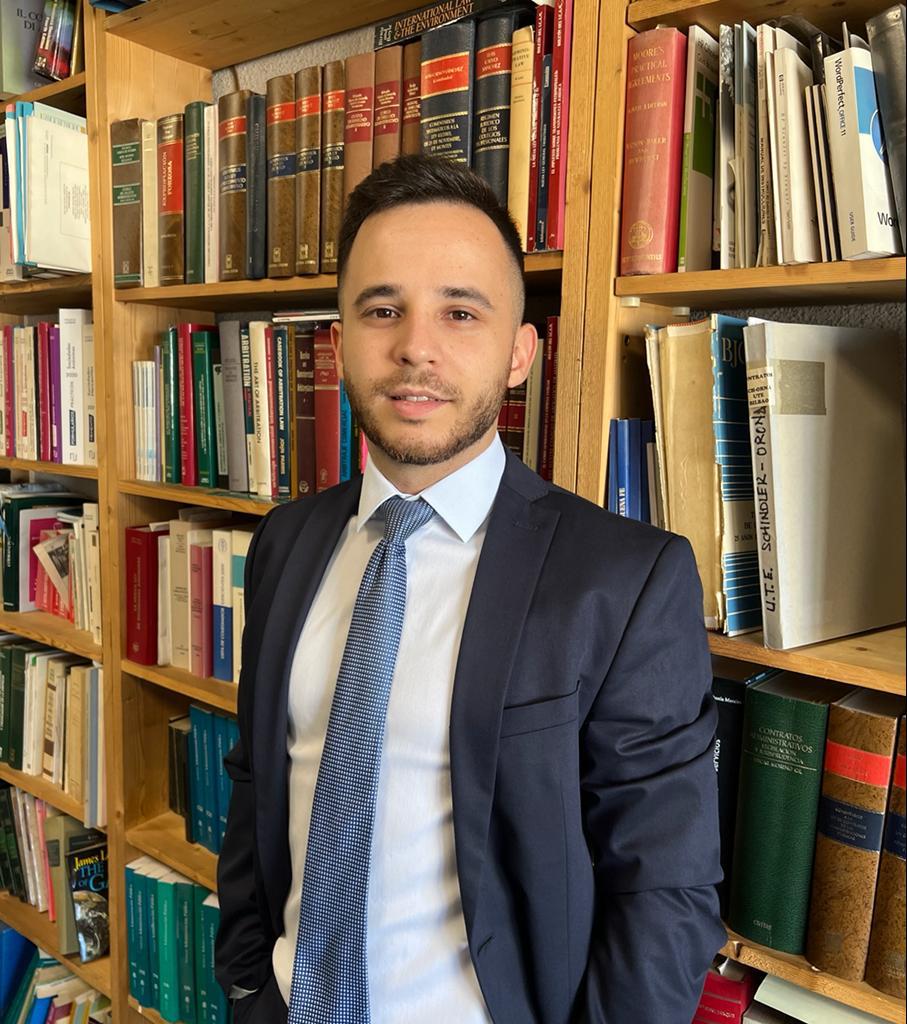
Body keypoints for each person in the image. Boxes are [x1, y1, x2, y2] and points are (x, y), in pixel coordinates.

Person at [215, 153, 725, 1024]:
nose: (416, 346)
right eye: (383, 310)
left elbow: (663, 889)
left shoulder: (624, 579)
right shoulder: (285, 542)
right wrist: (246, 982)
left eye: (460, 311)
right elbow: (262, 778)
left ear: (520, 352)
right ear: (338, 344)